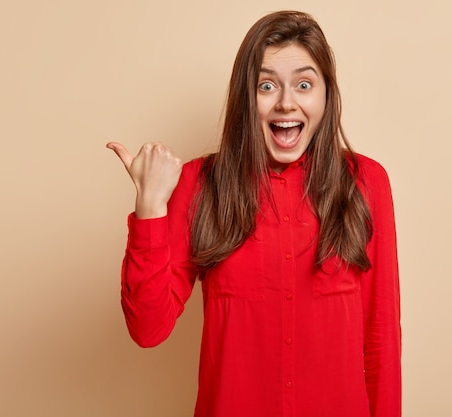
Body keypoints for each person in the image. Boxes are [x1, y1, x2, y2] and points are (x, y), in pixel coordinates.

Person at [106, 10, 400, 417]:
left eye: (303, 84)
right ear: (245, 96)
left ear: (326, 95)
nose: (286, 102)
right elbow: (147, 329)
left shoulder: (366, 182)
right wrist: (151, 207)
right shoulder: (199, 184)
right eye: (266, 85)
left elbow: (381, 336)